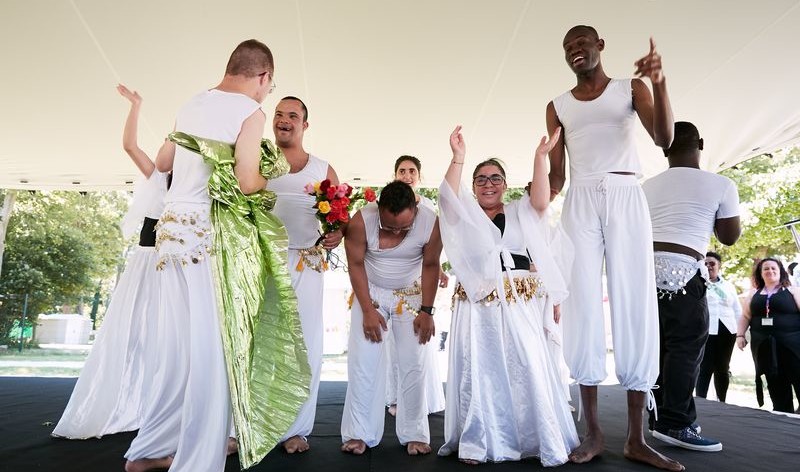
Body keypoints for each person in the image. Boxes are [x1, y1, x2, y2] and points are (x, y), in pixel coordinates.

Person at [124, 40, 310, 472]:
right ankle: (196, 461)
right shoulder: (249, 112)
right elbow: (246, 182)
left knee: (175, 347)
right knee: (215, 349)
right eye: (269, 86)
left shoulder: (192, 103)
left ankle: (149, 449)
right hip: (208, 237)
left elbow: (164, 162)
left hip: (171, 235)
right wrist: (271, 171)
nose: (267, 95)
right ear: (263, 77)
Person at [546, 25, 679, 469]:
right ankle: (594, 432)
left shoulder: (630, 88)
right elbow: (558, 176)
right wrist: (531, 188)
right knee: (582, 302)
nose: (574, 52)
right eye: (567, 48)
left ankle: (637, 437)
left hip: (625, 194)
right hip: (579, 200)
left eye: (581, 44)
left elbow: (664, 139)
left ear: (600, 46)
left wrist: (659, 84)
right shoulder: (557, 106)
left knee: (634, 300)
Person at [437, 125, 578, 466]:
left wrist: (540, 157)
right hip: (478, 303)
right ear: (472, 186)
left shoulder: (519, 211)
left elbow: (542, 201)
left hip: (518, 300)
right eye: (481, 178)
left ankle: (534, 435)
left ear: (505, 184)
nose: (488, 183)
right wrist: (458, 159)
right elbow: (445, 198)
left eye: (495, 177)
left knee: (527, 363)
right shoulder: (464, 215)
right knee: (480, 368)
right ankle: (478, 440)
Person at [52, 85, 168, 439]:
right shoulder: (158, 178)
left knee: (167, 340)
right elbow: (130, 146)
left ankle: (161, 409)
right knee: (134, 334)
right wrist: (136, 106)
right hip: (148, 263)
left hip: (179, 269)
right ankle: (124, 403)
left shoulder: (202, 189)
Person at [642, 121, 741, 452]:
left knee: (658, 348)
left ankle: (658, 418)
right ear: (700, 143)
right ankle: (677, 424)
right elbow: (728, 237)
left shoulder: (645, 186)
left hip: (644, 273)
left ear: (664, 147)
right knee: (685, 348)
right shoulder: (721, 184)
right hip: (684, 272)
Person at [340, 180, 442, 456]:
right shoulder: (363, 219)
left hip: (411, 295)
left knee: (413, 364)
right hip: (370, 293)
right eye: (389, 226)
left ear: (415, 209)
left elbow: (431, 265)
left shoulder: (430, 223)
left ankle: (414, 434)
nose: (396, 232)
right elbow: (356, 264)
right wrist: (368, 310)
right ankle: (359, 433)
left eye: (403, 228)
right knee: (363, 363)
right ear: (379, 209)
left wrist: (427, 311)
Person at [267, 96, 342, 454]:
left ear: (304, 125)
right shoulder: (259, 163)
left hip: (308, 265)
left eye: (292, 116)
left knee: (306, 347)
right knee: (257, 344)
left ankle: (296, 430)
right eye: (279, 114)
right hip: (264, 265)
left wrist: (336, 234)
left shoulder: (323, 168)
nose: (284, 120)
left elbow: (340, 222)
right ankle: (242, 427)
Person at [384, 155, 446, 417]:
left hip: (420, 282)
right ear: (395, 175)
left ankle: (423, 398)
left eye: (411, 171)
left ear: (419, 177)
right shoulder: (385, 204)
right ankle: (396, 397)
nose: (407, 175)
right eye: (402, 171)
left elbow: (433, 247)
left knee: (420, 340)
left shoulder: (430, 208)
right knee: (394, 344)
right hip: (391, 282)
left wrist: (439, 267)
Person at [737, 258, 800, 413]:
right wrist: (740, 335)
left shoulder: (793, 290)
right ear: (760, 273)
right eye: (766, 269)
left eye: (773, 268)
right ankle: (783, 415)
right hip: (765, 347)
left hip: (792, 345)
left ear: (780, 272)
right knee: (775, 382)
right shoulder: (754, 293)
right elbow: (745, 316)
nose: (770, 271)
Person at [696, 251, 742, 402]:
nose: (709, 266)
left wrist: (741, 332)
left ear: (719, 266)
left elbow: (737, 309)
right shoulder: (697, 283)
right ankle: (701, 400)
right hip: (705, 330)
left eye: (712, 263)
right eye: (706, 264)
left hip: (727, 330)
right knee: (705, 367)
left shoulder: (728, 286)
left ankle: (721, 400)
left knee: (722, 368)